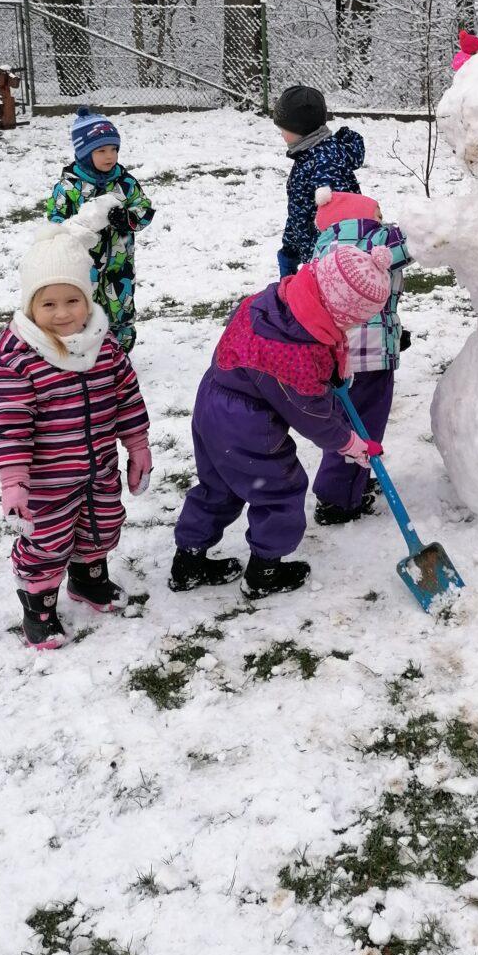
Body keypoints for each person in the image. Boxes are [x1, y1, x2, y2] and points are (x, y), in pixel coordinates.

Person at [170, 243, 394, 601]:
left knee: (219, 486)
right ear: (338, 309)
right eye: (354, 321)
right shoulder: (297, 355)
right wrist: (349, 444)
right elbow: (312, 415)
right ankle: (265, 571)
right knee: (280, 491)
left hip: (214, 399)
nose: (354, 327)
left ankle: (188, 562)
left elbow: (313, 357)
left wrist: (334, 370)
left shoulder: (276, 300)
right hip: (247, 425)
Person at [0, 197, 152, 649]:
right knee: (48, 542)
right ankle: (39, 607)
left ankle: (88, 580)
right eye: (48, 303)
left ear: (87, 298)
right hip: (47, 480)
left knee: (102, 525)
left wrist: (138, 446)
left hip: (98, 468)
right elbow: (8, 427)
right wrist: (14, 481)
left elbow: (126, 398)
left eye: (72, 300)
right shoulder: (18, 361)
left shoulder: (104, 346)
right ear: (30, 305)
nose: (62, 313)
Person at [309, 186, 410, 525]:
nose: (383, 220)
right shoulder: (375, 238)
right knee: (365, 426)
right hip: (372, 358)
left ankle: (349, 482)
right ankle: (339, 499)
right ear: (362, 218)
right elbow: (421, 240)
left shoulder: (324, 246)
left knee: (346, 422)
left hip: (337, 353)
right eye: (378, 214)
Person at [45, 107, 154, 353]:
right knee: (84, 308)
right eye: (101, 150)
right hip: (83, 266)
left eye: (114, 149)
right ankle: (84, 354)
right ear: (84, 153)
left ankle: (120, 355)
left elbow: (144, 209)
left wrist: (127, 219)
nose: (110, 156)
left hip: (120, 265)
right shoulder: (68, 188)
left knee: (121, 309)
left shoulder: (124, 183)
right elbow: (55, 222)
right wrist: (74, 230)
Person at [273, 84, 365, 278]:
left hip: (331, 262)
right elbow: (299, 209)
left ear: (300, 129)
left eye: (284, 128)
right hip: (314, 254)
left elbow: (339, 218)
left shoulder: (324, 160)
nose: (281, 133)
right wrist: (289, 250)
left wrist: (326, 259)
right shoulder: (307, 156)